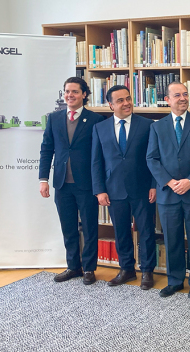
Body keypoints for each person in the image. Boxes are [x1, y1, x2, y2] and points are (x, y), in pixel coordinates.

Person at [146, 82, 190, 299]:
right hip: (168, 194)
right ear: (167, 100)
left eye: (185, 94)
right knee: (171, 238)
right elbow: (152, 158)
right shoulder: (157, 127)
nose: (183, 98)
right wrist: (169, 181)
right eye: (177, 95)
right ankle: (175, 281)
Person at [39, 77, 105, 285]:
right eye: (67, 91)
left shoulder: (96, 120)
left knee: (89, 227)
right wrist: (43, 179)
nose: (70, 95)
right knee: (68, 227)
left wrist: (100, 185)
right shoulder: (54, 118)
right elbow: (46, 149)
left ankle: (89, 269)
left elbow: (100, 155)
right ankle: (73, 266)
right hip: (61, 184)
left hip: (86, 184)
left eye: (75, 92)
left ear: (84, 94)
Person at [91, 85, 157, 290]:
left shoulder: (147, 125)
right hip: (113, 189)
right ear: (111, 105)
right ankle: (126, 269)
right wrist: (99, 190)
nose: (126, 103)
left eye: (128, 98)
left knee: (146, 231)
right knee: (121, 232)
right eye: (120, 100)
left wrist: (154, 185)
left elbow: (155, 157)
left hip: (143, 187)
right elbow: (96, 161)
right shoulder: (100, 128)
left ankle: (147, 271)